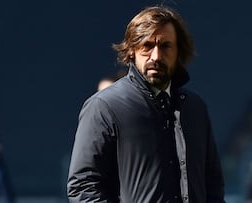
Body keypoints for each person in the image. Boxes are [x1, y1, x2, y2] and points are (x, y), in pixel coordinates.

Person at [67, 5, 225, 203]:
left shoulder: (195, 107)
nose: (156, 56)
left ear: (179, 52)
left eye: (166, 46)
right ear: (132, 50)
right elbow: (82, 186)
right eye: (147, 46)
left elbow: (213, 184)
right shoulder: (104, 106)